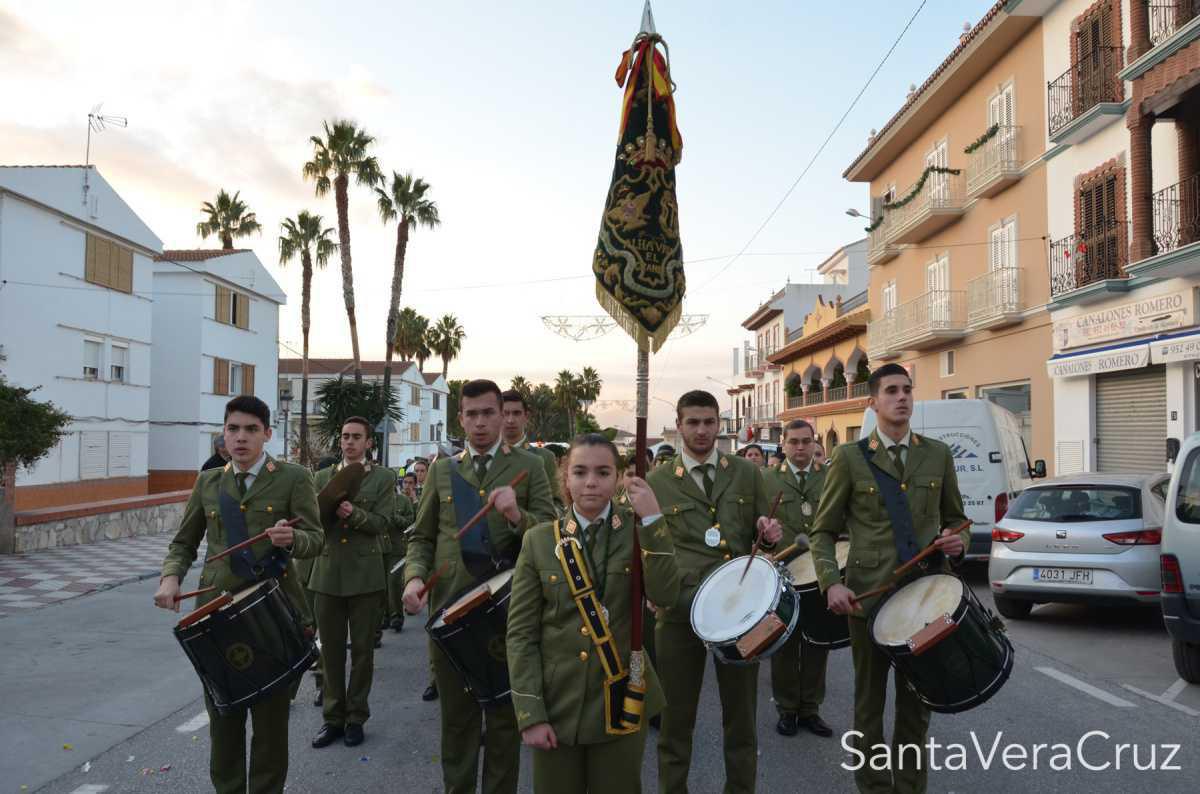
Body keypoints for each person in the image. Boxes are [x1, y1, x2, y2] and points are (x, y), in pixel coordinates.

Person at [812, 363, 970, 794]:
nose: (902, 398)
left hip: (925, 600)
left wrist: (959, 543)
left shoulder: (936, 454)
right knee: (868, 706)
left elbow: (957, 519)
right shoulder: (849, 458)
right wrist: (832, 583)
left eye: (907, 390)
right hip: (869, 601)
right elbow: (822, 532)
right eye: (892, 391)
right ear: (873, 401)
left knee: (918, 705)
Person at [154, 395, 323, 794]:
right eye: (233, 429)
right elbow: (184, 542)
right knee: (224, 719)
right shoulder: (209, 481)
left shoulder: (294, 477)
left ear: (267, 433)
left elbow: (317, 539)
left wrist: (293, 537)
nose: (241, 437)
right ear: (224, 434)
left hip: (274, 613)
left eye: (250, 429)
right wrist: (170, 578)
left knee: (269, 727)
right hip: (215, 616)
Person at [402, 379, 557, 794]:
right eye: (472, 414)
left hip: (509, 611)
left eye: (490, 412)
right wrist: (414, 578)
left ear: (503, 414)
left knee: (505, 719)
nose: (482, 422)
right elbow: (421, 537)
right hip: (451, 611)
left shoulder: (532, 465)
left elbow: (552, 535)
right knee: (457, 720)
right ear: (461, 419)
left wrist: (515, 515)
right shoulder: (442, 469)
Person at [507, 434, 681, 793]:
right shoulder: (540, 541)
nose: (591, 482)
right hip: (558, 701)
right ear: (565, 478)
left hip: (620, 696)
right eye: (580, 472)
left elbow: (666, 596)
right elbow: (521, 635)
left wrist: (653, 521)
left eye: (603, 472)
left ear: (618, 477)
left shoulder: (638, 531)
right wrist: (530, 713)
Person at [646, 390, 782, 794]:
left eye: (709, 422)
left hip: (740, 614)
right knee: (675, 722)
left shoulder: (745, 473)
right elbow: (646, 548)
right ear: (679, 424)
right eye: (693, 422)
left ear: (719, 423)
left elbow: (765, 534)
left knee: (741, 721)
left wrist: (770, 536)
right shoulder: (657, 482)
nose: (702, 431)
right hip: (679, 613)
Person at [309, 417, 397, 749]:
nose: (349, 442)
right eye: (345, 436)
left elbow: (382, 523)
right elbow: (310, 522)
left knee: (362, 653)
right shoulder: (320, 477)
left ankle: (356, 717)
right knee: (329, 653)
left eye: (356, 437)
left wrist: (353, 514)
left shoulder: (383, 478)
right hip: (328, 574)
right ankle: (332, 718)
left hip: (365, 577)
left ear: (369, 442)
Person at [761, 419, 834, 739]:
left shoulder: (830, 478)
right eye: (794, 442)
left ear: (815, 443)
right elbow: (758, 528)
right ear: (784, 444)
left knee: (818, 643)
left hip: (820, 574)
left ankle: (811, 709)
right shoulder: (766, 480)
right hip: (783, 576)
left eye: (806, 441)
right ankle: (787, 710)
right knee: (784, 645)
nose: (801, 447)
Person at [500, 389, 565, 514]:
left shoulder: (544, 458)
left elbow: (557, 504)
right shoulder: (485, 457)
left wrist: (543, 519)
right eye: (505, 414)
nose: (510, 420)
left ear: (526, 417)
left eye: (516, 413)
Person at [386, 479, 416, 632]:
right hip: (377, 548)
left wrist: (394, 517)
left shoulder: (403, 501)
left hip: (396, 548)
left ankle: (396, 616)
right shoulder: (375, 500)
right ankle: (383, 617)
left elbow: (410, 521)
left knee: (393, 583)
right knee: (378, 585)